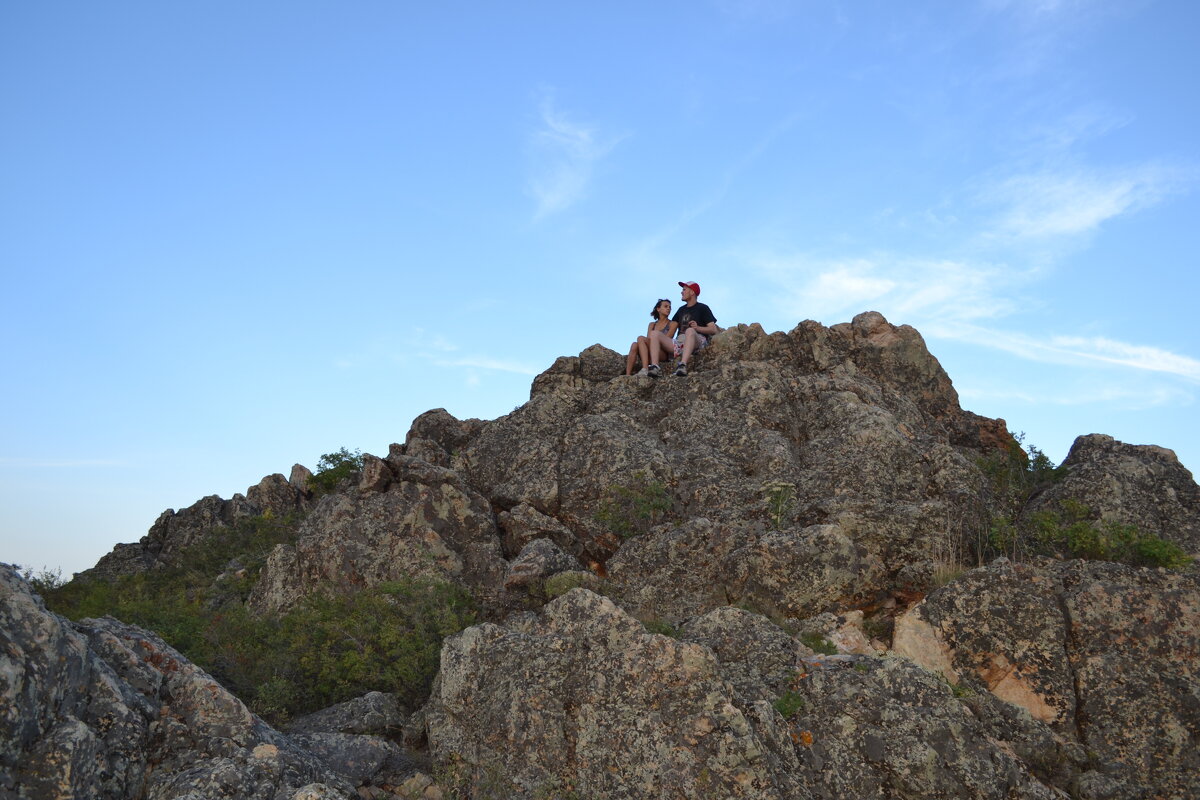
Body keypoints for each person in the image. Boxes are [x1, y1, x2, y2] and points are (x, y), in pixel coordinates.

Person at [646, 281, 718, 377]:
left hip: (697, 340)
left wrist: (697, 328)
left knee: (689, 330)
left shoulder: (703, 308)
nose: (681, 292)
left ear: (692, 292)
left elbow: (713, 329)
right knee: (654, 333)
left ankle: (682, 365)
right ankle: (654, 367)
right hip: (679, 343)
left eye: (684, 289)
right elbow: (671, 325)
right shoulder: (681, 310)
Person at [625, 298, 677, 376]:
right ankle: (627, 375)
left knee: (640, 338)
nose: (668, 308)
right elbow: (649, 340)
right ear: (658, 309)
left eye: (670, 307)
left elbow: (666, 340)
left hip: (664, 353)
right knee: (634, 345)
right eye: (666, 306)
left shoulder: (673, 324)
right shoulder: (652, 324)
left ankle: (645, 369)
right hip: (652, 351)